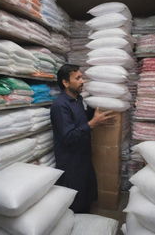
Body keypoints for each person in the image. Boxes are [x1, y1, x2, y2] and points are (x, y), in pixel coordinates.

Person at [50, 64, 115, 213]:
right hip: (70, 163)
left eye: (82, 77)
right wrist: (92, 123)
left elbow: (81, 120)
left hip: (83, 158)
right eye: (77, 78)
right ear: (65, 82)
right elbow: (68, 136)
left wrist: (95, 111)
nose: (82, 81)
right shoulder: (60, 106)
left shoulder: (78, 100)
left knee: (86, 198)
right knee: (75, 203)